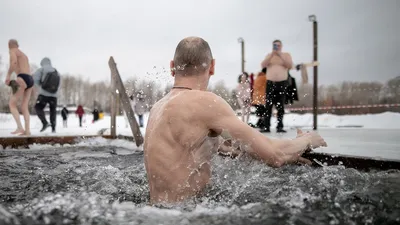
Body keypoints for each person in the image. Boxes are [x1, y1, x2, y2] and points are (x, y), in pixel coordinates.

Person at [144, 36, 327, 204]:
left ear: (172, 66)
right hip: (186, 214)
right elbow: (275, 155)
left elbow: (227, 147)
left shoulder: (157, 108)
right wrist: (307, 139)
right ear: (212, 66)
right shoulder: (206, 102)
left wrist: (291, 153)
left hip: (156, 210)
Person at [261, 40, 293, 133]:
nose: (277, 47)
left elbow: (289, 65)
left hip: (282, 83)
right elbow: (263, 65)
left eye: (278, 45)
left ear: (281, 46)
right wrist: (272, 54)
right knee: (268, 105)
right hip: (270, 83)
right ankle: (266, 126)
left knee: (280, 106)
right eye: (275, 45)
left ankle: (280, 126)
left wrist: (280, 55)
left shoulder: (286, 55)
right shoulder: (269, 55)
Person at [4, 39, 33, 135]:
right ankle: (27, 131)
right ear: (17, 45)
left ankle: (20, 127)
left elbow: (14, 63)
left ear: (9, 45)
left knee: (12, 104)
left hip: (22, 78)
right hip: (30, 79)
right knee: (24, 106)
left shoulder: (13, 51)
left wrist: (8, 75)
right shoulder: (23, 55)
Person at [33, 57, 60, 133]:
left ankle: (45, 123)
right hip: (54, 96)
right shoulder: (56, 71)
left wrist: (41, 86)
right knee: (53, 111)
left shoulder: (41, 69)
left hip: (44, 94)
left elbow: (36, 80)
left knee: (38, 107)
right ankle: (53, 128)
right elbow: (59, 84)